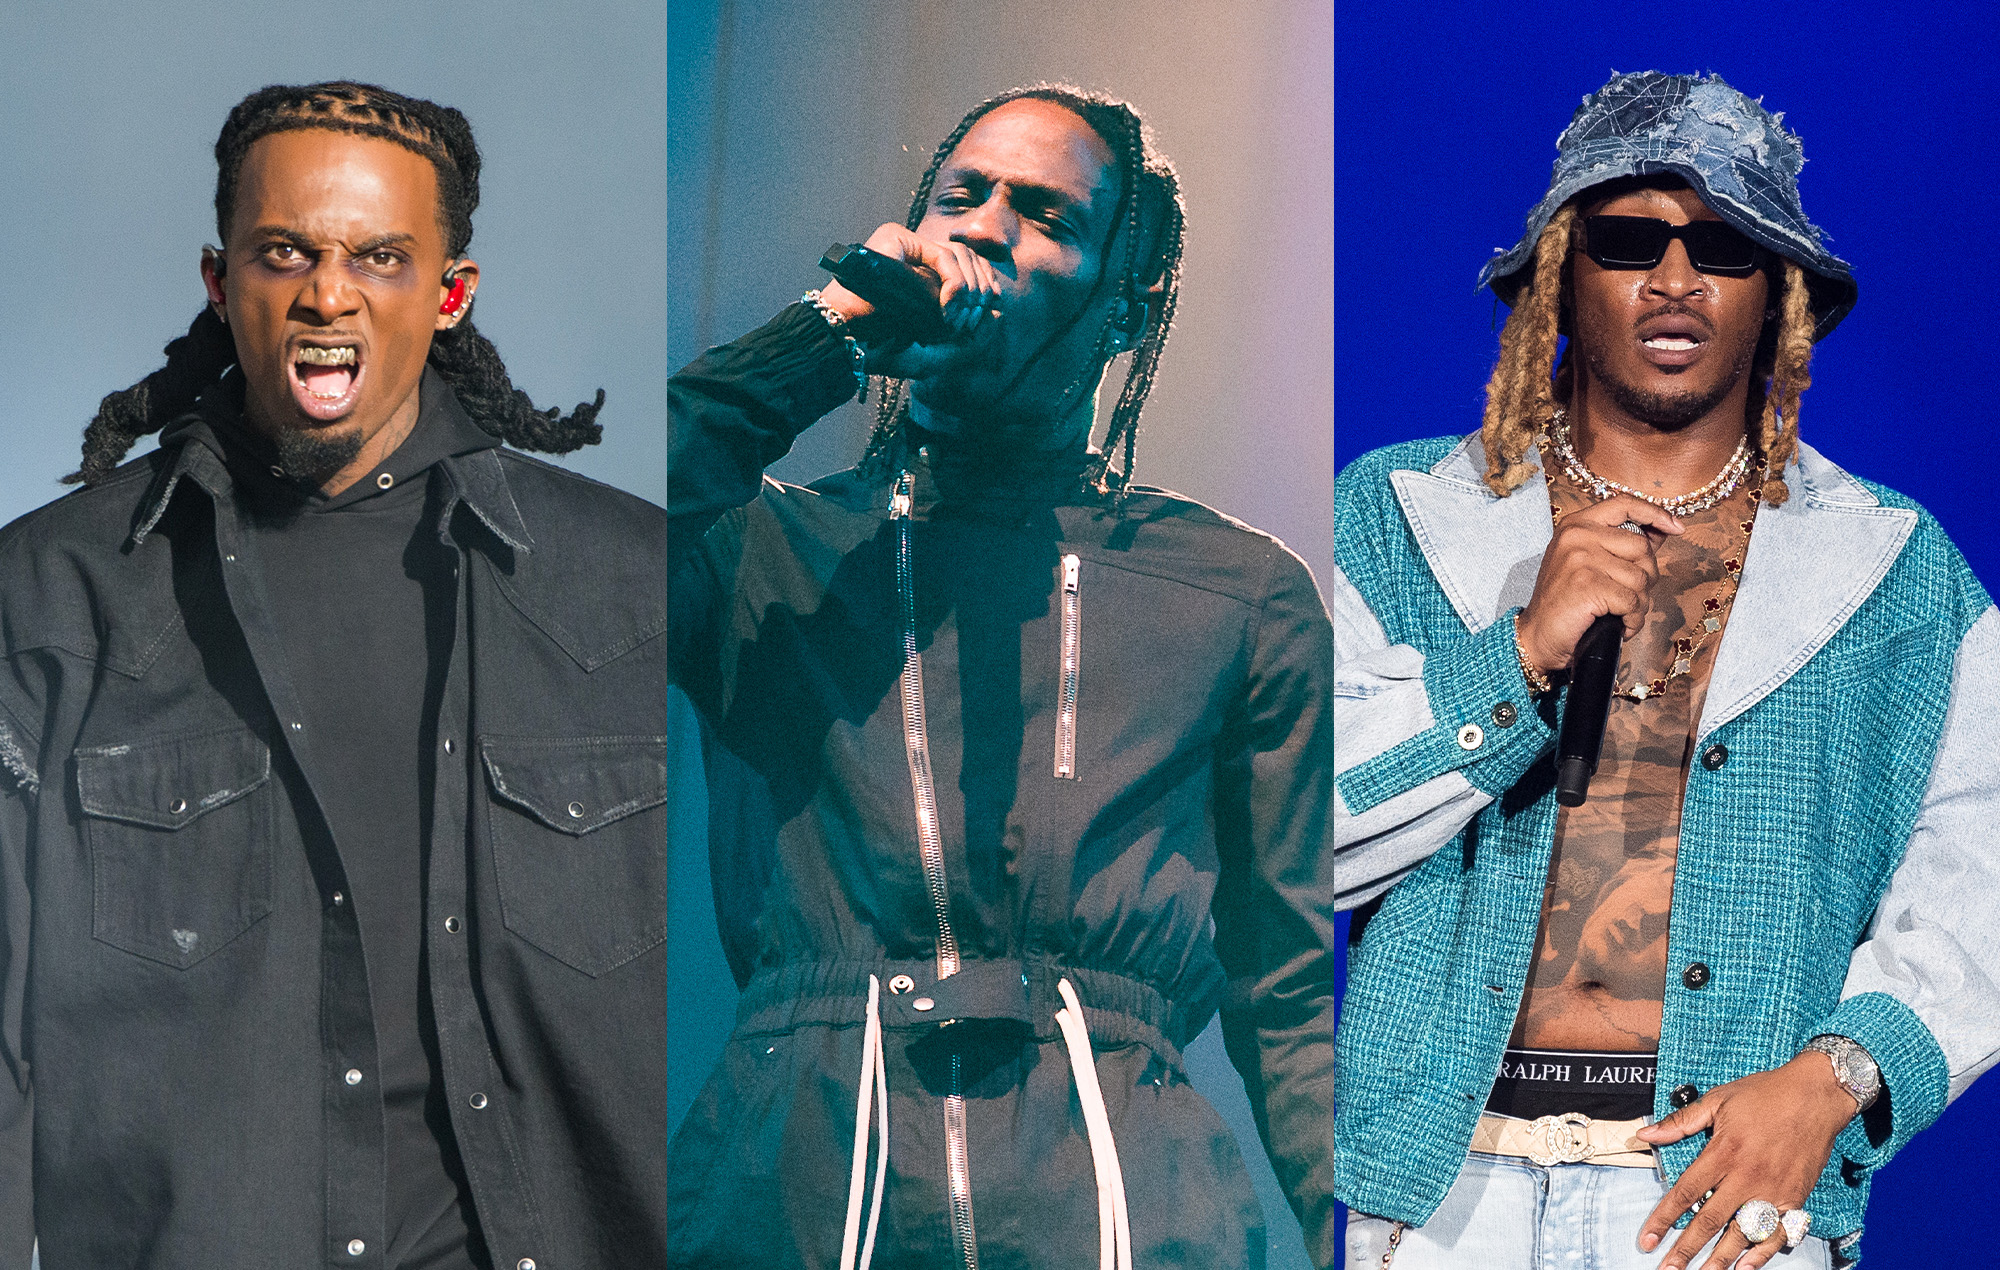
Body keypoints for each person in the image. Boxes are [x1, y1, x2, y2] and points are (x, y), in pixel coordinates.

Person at [1333, 71, 2000, 1269]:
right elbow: (1283, 829)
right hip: (1444, 1197)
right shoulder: (1392, 519)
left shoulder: (1894, 568)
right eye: (1629, 238)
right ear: (1558, 273)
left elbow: (1987, 870)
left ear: (1779, 291)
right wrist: (1518, 654)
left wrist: (1837, 1076)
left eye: (1725, 247)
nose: (1675, 278)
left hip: (1719, 1207)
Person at [666, 84, 1337, 1268]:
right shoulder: (761, 553)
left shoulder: (1239, 593)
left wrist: (1364, 1234)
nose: (978, 229)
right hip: (799, 1179)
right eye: (958, 195)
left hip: (1119, 1195)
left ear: (1123, 311)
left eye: (1043, 215)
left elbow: (1283, 991)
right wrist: (823, 336)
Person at [0, 82, 667, 1267]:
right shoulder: (51, 599)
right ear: (220, 281)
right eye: (284, 252)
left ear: (450, 295)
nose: (327, 290)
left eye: (379, 255)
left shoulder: (633, 590)